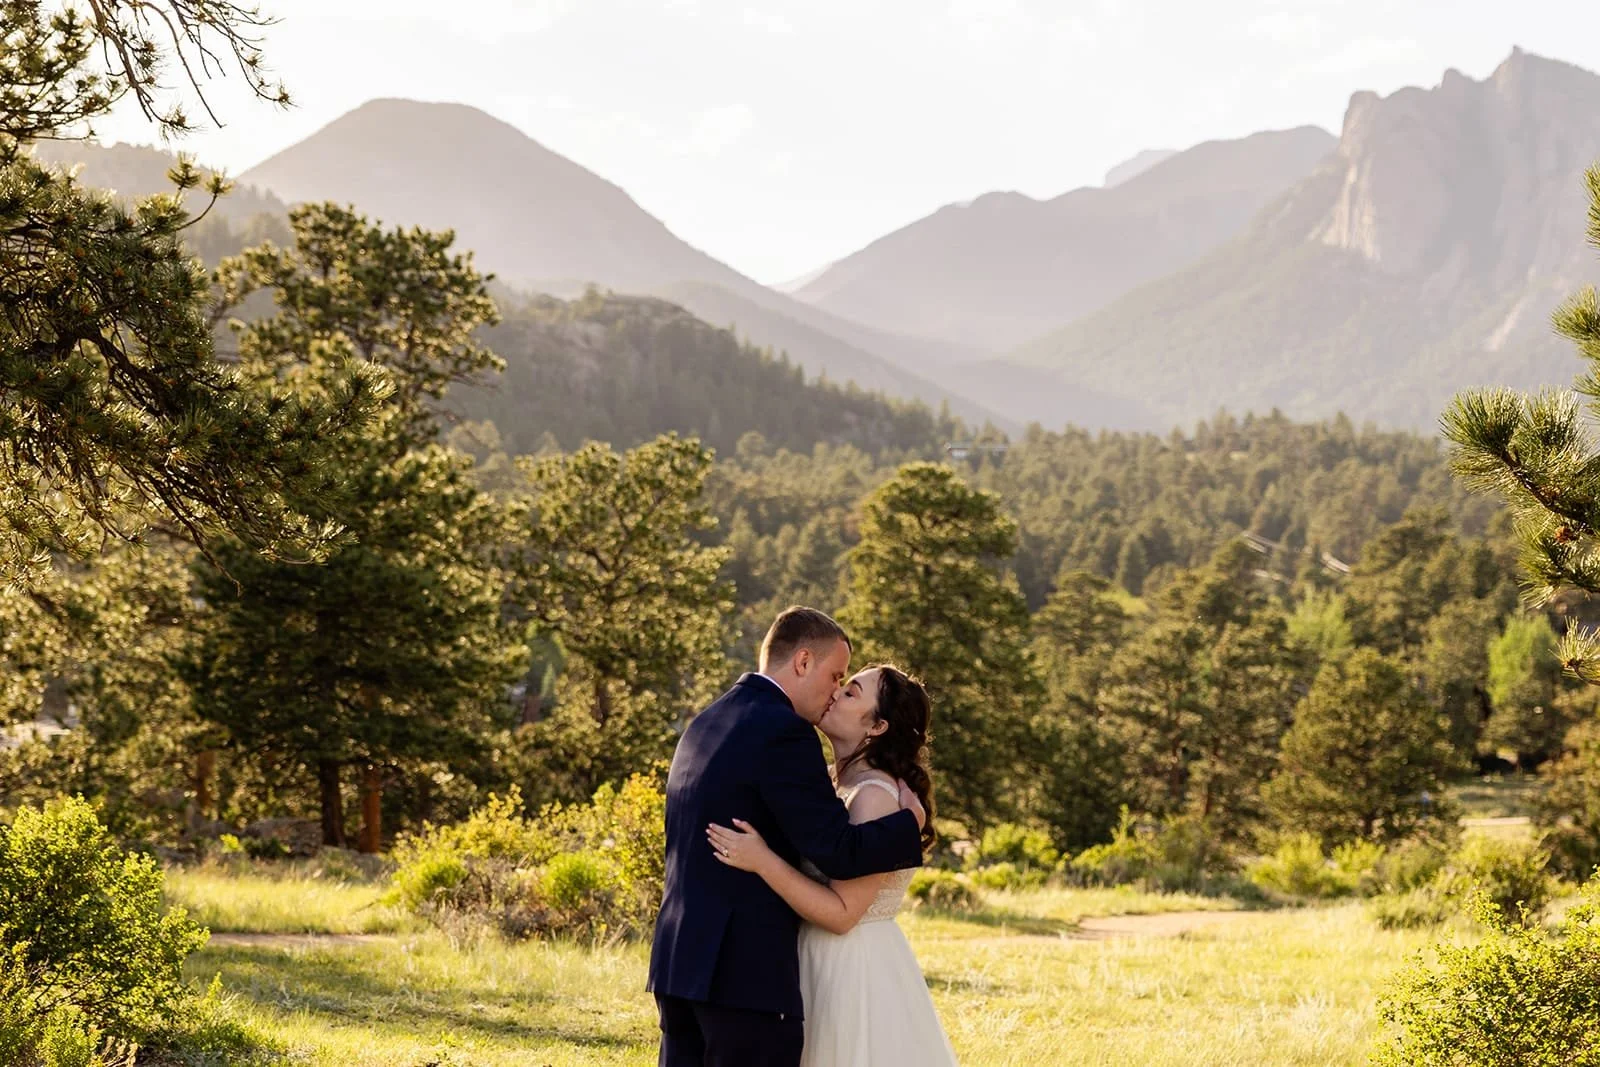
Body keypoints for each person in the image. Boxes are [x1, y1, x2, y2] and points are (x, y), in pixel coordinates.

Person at [648, 607, 927, 1067]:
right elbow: (839, 851)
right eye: (837, 676)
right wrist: (908, 825)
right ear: (802, 662)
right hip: (743, 979)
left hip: (681, 966)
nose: (835, 691)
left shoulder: (707, 721)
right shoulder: (785, 733)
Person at [707, 664, 958, 1066]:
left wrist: (761, 860)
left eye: (852, 692)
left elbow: (842, 915)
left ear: (876, 727)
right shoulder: (829, 781)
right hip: (810, 956)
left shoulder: (875, 796)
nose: (835, 691)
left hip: (852, 968)